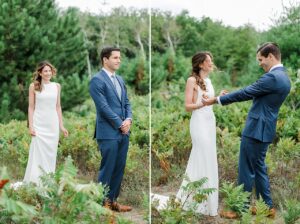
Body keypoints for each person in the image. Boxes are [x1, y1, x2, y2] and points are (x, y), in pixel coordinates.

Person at [202, 42, 291, 218]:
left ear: (271, 56)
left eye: (261, 59)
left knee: (246, 168)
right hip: (266, 128)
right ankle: (267, 208)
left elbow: (246, 92)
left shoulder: (272, 78)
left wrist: (216, 100)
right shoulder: (284, 77)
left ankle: (240, 209)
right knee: (258, 167)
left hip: (256, 129)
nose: (260, 63)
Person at [152, 51, 222, 216]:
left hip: (209, 121)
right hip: (198, 122)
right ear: (200, 64)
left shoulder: (209, 81)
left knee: (209, 157)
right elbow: (188, 106)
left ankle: (207, 200)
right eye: (209, 61)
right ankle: (192, 198)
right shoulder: (192, 80)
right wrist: (201, 104)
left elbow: (210, 102)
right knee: (201, 155)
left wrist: (218, 97)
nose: (211, 64)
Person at [89, 47, 133, 212]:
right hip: (108, 132)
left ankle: (112, 201)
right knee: (107, 168)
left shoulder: (120, 79)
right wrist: (119, 124)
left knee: (119, 167)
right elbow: (103, 107)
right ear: (105, 60)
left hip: (124, 131)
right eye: (115, 58)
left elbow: (127, 102)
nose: (118, 60)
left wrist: (128, 119)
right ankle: (101, 203)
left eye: (119, 58)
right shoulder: (97, 80)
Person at [24, 61, 68, 185]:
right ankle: (35, 182)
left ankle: (48, 181)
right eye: (45, 71)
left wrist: (61, 126)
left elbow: (58, 107)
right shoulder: (34, 86)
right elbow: (31, 107)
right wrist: (31, 126)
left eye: (50, 71)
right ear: (40, 73)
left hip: (52, 125)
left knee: (50, 153)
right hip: (39, 124)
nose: (48, 73)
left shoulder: (57, 86)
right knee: (37, 153)